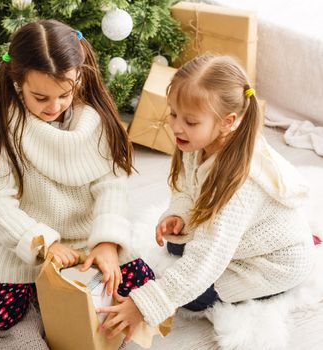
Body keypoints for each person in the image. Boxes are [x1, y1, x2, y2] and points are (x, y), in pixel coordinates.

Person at [97, 55, 316, 341]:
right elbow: (187, 189)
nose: (176, 127)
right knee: (177, 248)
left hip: (272, 263)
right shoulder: (198, 142)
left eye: (189, 121)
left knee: (193, 295)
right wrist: (178, 214)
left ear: (228, 122)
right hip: (235, 237)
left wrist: (145, 304)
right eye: (173, 114)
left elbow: (205, 261)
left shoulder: (237, 186)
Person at [0, 19, 155, 331]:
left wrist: (107, 242)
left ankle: (66, 287)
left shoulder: (95, 122)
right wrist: (43, 244)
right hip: (32, 244)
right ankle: (49, 288)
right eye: (40, 97)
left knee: (145, 291)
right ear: (18, 84)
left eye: (64, 94)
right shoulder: (6, 130)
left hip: (89, 238)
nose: (53, 106)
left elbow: (112, 185)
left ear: (78, 78)